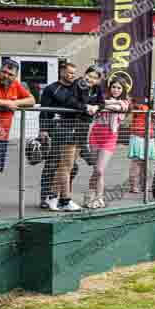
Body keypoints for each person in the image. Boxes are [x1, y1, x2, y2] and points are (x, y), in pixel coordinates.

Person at [52, 65, 105, 212]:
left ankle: (52, 197)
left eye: (95, 77)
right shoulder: (78, 84)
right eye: (89, 75)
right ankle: (65, 200)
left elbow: (102, 103)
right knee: (67, 164)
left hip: (83, 127)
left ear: (98, 80)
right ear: (85, 74)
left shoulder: (97, 88)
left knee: (69, 164)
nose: (91, 79)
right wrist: (86, 107)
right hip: (70, 125)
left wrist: (96, 108)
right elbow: (70, 101)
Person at [39, 62, 80, 209]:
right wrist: (43, 130)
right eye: (69, 73)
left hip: (73, 130)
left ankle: (63, 196)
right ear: (62, 72)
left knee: (72, 167)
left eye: (74, 73)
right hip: (55, 130)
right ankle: (45, 198)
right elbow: (44, 110)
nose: (72, 76)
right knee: (51, 164)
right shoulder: (51, 88)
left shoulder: (77, 88)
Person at [85, 78, 130, 208]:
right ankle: (92, 196)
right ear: (110, 88)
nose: (116, 90)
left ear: (123, 90)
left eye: (119, 88)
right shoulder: (101, 99)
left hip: (109, 137)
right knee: (96, 169)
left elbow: (120, 107)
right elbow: (94, 104)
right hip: (95, 134)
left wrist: (100, 106)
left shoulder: (125, 102)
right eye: (114, 87)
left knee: (100, 169)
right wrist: (100, 105)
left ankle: (99, 197)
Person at [0, 59, 35, 173]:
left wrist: (15, 103)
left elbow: (31, 100)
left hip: (2, 136)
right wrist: (6, 103)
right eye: (4, 72)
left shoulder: (15, 84)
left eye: (10, 74)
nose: (6, 76)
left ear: (15, 76)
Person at [127, 96, 155, 194]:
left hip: (150, 136)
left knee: (146, 163)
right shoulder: (139, 106)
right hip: (138, 135)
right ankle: (134, 185)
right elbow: (131, 106)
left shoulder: (153, 107)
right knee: (137, 162)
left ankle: (145, 185)